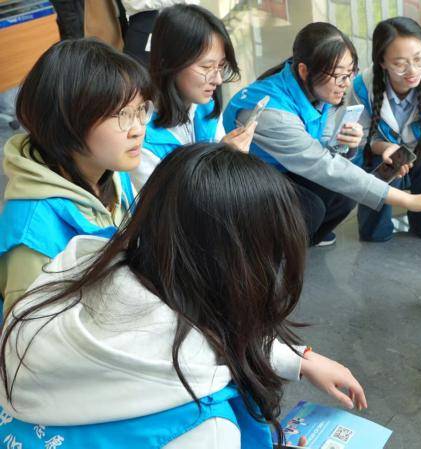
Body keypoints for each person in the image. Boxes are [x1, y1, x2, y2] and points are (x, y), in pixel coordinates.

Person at [0, 143, 368, 448]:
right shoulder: (206, 430)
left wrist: (297, 358)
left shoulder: (72, 275)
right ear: (239, 270)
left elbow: (178, 319)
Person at [224, 22, 421, 247]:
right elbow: (325, 165)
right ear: (305, 70)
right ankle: (273, 248)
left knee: (343, 194)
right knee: (310, 207)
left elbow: (330, 151)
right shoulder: (273, 114)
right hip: (254, 182)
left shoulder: (316, 88)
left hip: (291, 169)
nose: (346, 84)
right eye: (339, 75)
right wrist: (407, 200)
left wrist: (350, 145)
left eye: (350, 73)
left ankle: (307, 237)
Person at [0, 39, 150, 312]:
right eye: (122, 114)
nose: (138, 128)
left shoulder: (112, 172)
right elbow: (28, 345)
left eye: (141, 110)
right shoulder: (31, 236)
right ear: (67, 122)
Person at [349, 16, 421, 242]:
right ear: (382, 61)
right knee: (373, 236)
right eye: (400, 63)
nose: (413, 70)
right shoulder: (362, 87)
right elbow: (358, 139)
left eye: (419, 59)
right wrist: (384, 148)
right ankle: (377, 228)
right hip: (384, 159)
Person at [132, 4, 254, 190]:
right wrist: (219, 159)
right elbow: (169, 206)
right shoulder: (138, 136)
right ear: (168, 61)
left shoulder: (205, 106)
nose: (218, 79)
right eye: (206, 67)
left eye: (221, 66)